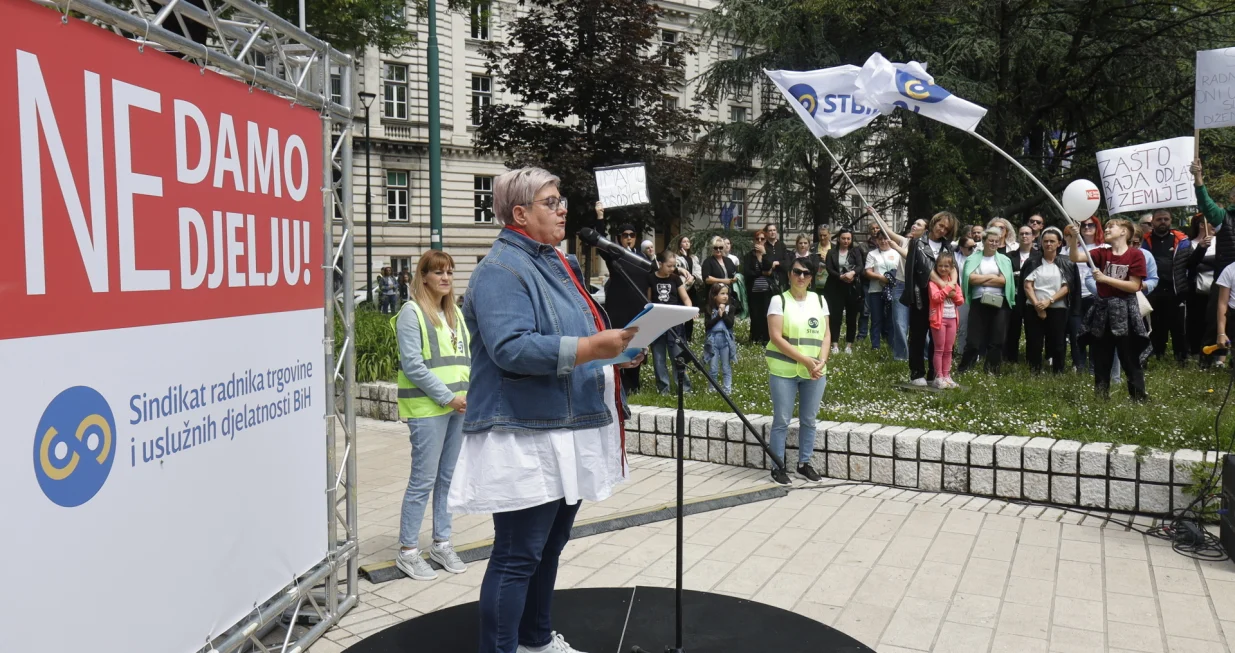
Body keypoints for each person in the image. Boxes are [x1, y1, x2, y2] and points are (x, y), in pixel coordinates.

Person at [450, 167, 642, 653]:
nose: (563, 209)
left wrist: (616, 351)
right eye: (551, 202)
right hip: (524, 432)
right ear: (520, 213)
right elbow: (511, 348)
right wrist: (592, 347)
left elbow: (576, 338)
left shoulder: (557, 262)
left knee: (548, 548)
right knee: (517, 555)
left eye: (561, 201)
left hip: (564, 426)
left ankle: (535, 640)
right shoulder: (500, 270)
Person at [393, 251, 471, 581]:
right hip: (429, 409)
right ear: (423, 276)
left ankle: (441, 542)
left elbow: (469, 357)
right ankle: (408, 551)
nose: (446, 278)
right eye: (438, 272)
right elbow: (413, 365)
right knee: (423, 480)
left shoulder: (455, 313)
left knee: (447, 479)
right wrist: (448, 398)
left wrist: (468, 396)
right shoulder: (412, 313)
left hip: (459, 407)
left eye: (450, 272)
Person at [1066, 218, 1148, 401]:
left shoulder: (1135, 255)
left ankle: (1139, 398)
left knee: (1129, 357)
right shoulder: (1101, 253)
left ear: (1124, 232)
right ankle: (1101, 398)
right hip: (1103, 312)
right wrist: (1073, 238)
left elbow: (1134, 286)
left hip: (1126, 312)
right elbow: (1075, 257)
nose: (1107, 229)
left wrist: (1105, 279)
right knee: (1102, 357)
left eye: (1112, 226)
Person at [765, 257, 829, 486]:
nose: (801, 277)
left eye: (806, 273)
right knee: (781, 420)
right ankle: (777, 466)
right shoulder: (778, 300)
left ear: (811, 278)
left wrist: (821, 361)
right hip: (784, 370)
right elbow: (776, 337)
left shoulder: (820, 300)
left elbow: (826, 334)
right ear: (790, 274)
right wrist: (806, 361)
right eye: (797, 272)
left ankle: (804, 464)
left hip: (814, 371)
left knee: (809, 420)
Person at [902, 212, 957, 385]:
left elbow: (953, 267)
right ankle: (917, 373)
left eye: (946, 229)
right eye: (941, 225)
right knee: (918, 335)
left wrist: (952, 285)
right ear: (934, 222)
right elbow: (925, 269)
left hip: (941, 299)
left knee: (938, 338)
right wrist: (943, 283)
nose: (942, 230)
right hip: (921, 296)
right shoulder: (918, 243)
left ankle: (936, 374)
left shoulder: (947, 246)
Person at [1190, 159, 1235, 369]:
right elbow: (1206, 204)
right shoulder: (1222, 216)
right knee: (1215, 319)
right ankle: (1207, 361)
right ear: (1232, 197)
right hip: (1226, 276)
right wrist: (1198, 179)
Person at [958, 227, 1015, 375]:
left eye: (997, 241)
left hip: (999, 301)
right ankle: (964, 369)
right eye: (991, 240)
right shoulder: (973, 259)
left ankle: (992, 371)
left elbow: (1004, 281)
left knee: (997, 339)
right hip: (978, 301)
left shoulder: (1004, 260)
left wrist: (982, 280)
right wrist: (993, 278)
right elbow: (970, 279)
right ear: (984, 241)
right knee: (973, 340)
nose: (994, 244)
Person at [603, 221, 649, 395]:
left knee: (636, 347)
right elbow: (600, 245)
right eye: (625, 235)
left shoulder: (642, 258)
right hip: (619, 309)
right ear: (619, 238)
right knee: (620, 346)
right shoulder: (615, 256)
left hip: (637, 309)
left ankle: (634, 384)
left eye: (632, 235)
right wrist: (601, 218)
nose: (629, 238)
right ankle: (619, 384)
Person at [1142, 208, 1192, 364]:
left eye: (1166, 219)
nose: (1163, 222)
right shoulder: (1144, 240)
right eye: (1159, 219)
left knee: (1178, 327)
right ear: (1153, 222)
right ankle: (1157, 355)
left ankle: (1181, 357)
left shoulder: (1182, 240)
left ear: (1171, 221)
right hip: (1153, 290)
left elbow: (1191, 262)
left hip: (1175, 290)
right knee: (1157, 326)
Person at [1022, 228, 1074, 374]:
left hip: (1058, 308)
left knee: (1058, 343)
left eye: (1052, 241)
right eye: (1045, 241)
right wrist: (1038, 306)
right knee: (1034, 342)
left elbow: (1067, 286)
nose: (1048, 244)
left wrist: (1049, 301)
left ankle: (1058, 372)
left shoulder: (1067, 262)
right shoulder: (1032, 261)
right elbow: (1027, 285)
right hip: (1034, 307)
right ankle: (1034, 372)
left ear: (1059, 243)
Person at [649, 250, 694, 394]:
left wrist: (690, 310)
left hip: (675, 324)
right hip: (657, 323)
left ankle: (685, 389)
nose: (672, 269)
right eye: (669, 266)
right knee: (659, 358)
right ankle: (664, 390)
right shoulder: (651, 279)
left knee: (679, 357)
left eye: (674, 266)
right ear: (660, 264)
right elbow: (648, 301)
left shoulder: (675, 279)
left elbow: (685, 298)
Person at [1064, 216, 1104, 371]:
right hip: (1075, 297)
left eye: (1091, 225)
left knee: (1096, 333)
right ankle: (1079, 365)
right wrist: (1074, 237)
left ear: (1097, 226)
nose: (1087, 227)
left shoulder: (1104, 247)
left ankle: (1094, 366)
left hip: (1095, 295)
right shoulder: (1073, 249)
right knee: (1076, 333)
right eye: (1084, 225)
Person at [864, 230, 904, 356]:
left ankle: (892, 345)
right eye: (880, 239)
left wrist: (890, 279)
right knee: (876, 319)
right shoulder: (872, 254)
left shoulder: (896, 253)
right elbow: (868, 271)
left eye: (885, 238)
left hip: (893, 290)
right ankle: (875, 346)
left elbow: (900, 270)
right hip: (876, 290)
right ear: (876, 240)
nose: (883, 241)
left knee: (892, 319)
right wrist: (881, 278)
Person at [824, 228, 864, 354]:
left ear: (851, 240)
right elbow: (829, 268)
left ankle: (849, 345)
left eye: (848, 238)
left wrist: (852, 273)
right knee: (835, 317)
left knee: (851, 317)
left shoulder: (856, 251)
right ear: (839, 239)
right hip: (835, 287)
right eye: (843, 238)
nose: (846, 241)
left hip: (851, 288)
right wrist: (840, 276)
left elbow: (860, 266)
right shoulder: (831, 252)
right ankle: (834, 344)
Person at [928, 252, 964, 388]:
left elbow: (960, 300)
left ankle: (947, 375)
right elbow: (935, 298)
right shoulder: (933, 283)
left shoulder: (955, 283)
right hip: (939, 319)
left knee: (949, 350)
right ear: (936, 267)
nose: (943, 269)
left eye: (946, 266)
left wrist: (952, 293)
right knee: (939, 349)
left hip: (952, 319)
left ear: (951, 268)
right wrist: (948, 288)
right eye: (940, 266)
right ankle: (939, 377)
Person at [1187, 214, 1219, 366]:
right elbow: (1191, 264)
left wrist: (1203, 262)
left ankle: (1218, 356)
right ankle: (1196, 353)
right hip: (1197, 290)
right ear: (1202, 225)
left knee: (1216, 322)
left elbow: (1222, 263)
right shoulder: (1189, 244)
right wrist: (1201, 250)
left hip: (1219, 289)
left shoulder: (1220, 242)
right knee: (1197, 321)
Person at [1004, 225, 1036, 364]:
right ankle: (1010, 359)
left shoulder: (1039, 256)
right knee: (1013, 328)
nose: (1024, 236)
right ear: (1018, 236)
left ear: (1033, 236)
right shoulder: (1009, 256)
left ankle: (1031, 360)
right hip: (1015, 296)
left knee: (1032, 329)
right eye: (1021, 233)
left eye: (1027, 233)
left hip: (1032, 297)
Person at [703, 283, 737, 393]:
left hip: (725, 341)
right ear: (714, 296)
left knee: (726, 367)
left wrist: (724, 314)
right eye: (722, 293)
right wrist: (718, 316)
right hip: (713, 340)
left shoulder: (730, 308)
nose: (725, 296)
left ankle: (727, 390)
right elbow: (707, 325)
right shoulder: (709, 308)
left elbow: (730, 324)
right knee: (713, 367)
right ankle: (712, 389)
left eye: (727, 294)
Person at [744, 229, 776, 344]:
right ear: (754, 240)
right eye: (757, 239)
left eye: (762, 239)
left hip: (767, 290)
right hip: (754, 290)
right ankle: (755, 338)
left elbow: (769, 269)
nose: (759, 241)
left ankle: (766, 339)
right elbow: (748, 272)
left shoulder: (769, 254)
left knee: (766, 315)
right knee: (755, 315)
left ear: (765, 240)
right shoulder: (749, 255)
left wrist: (763, 255)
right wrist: (762, 273)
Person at [672, 235, 703, 342]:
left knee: (691, 312)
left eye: (688, 241)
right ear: (680, 244)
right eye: (684, 241)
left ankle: (688, 336)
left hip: (692, 287)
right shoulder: (676, 257)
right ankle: (679, 335)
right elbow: (675, 268)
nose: (686, 243)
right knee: (681, 310)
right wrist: (684, 257)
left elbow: (698, 271)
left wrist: (693, 277)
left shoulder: (694, 258)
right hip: (682, 287)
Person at [953, 235, 977, 354]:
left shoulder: (978, 256)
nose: (973, 249)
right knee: (962, 325)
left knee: (976, 325)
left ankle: (976, 352)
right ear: (961, 248)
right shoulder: (956, 257)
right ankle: (961, 351)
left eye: (974, 246)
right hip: (961, 295)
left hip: (976, 293)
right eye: (970, 247)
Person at [764, 223, 789, 289]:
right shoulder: (764, 246)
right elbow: (765, 263)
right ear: (766, 233)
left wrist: (777, 263)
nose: (772, 232)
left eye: (774, 230)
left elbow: (787, 262)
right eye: (770, 230)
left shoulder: (782, 245)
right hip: (768, 281)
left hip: (782, 280)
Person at [815, 225, 832, 292]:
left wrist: (827, 260)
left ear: (829, 234)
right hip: (815, 284)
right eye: (820, 235)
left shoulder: (835, 248)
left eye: (825, 235)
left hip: (830, 284)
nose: (822, 238)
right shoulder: (812, 247)